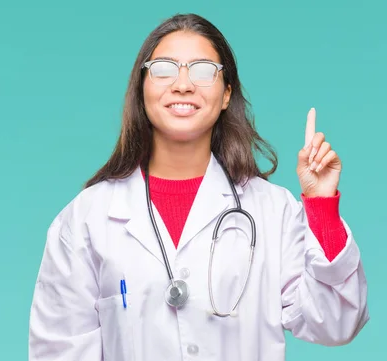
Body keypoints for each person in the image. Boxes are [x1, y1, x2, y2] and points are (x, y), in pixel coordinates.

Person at [28, 13, 369, 361]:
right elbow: (59, 351)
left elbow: (337, 324)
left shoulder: (272, 211)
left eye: (203, 70)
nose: (183, 84)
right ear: (142, 88)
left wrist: (321, 205)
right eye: (164, 68)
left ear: (225, 95)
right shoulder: (88, 217)